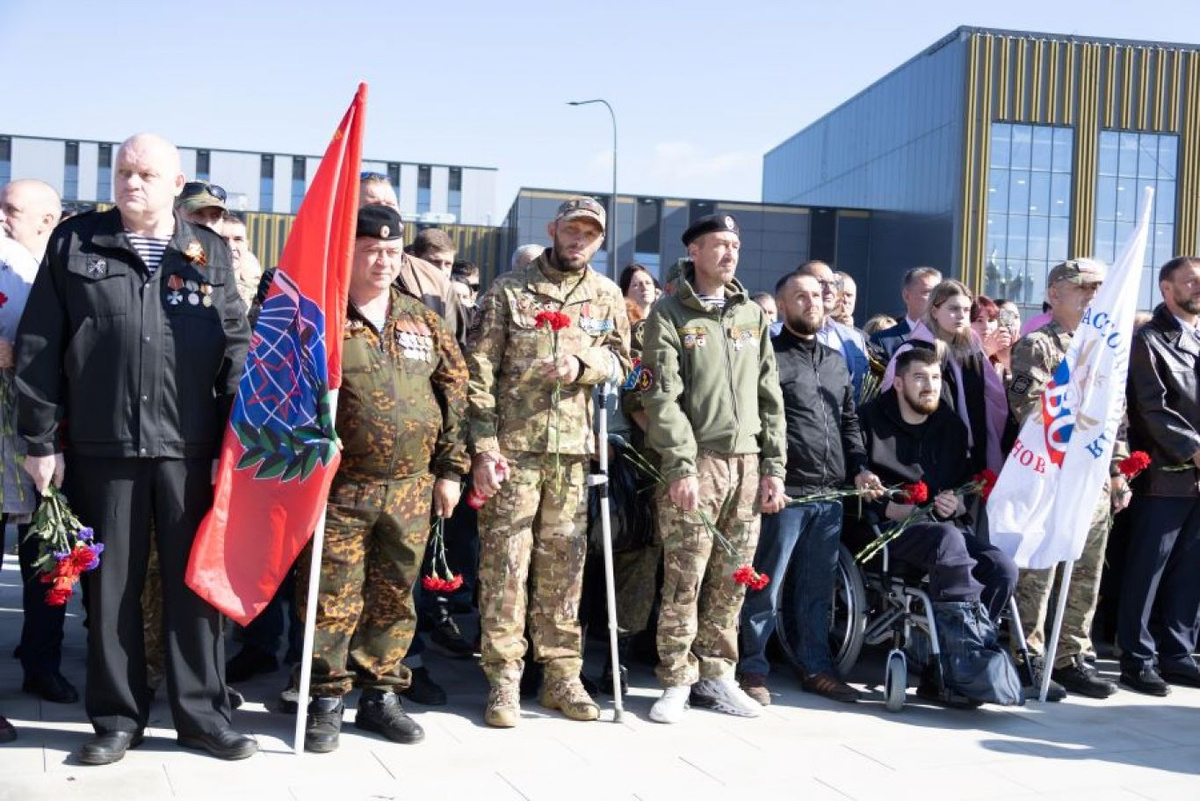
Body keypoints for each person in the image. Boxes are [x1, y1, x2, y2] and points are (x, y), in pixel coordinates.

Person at [15, 133, 256, 764]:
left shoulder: (206, 251)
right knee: (112, 589)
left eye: (147, 173)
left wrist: (233, 441)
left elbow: (235, 346)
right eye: (124, 171)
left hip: (189, 446)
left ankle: (204, 715)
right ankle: (117, 719)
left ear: (177, 184)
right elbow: (41, 343)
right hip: (104, 446)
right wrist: (39, 441)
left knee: (196, 589)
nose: (132, 183)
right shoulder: (76, 241)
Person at [300, 205, 469, 752]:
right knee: (331, 595)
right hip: (342, 486)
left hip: (413, 487)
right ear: (348, 252)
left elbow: (457, 396)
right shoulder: (320, 317)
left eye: (393, 252)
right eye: (371, 251)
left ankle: (380, 695)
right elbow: (285, 393)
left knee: (395, 595)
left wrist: (450, 470)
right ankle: (325, 697)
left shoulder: (424, 320)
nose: (383, 261)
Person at [466, 196, 630, 728]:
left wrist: (584, 363)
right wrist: (485, 449)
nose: (580, 239)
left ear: (600, 241)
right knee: (505, 567)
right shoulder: (508, 291)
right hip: (514, 451)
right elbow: (479, 372)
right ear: (554, 229)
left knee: (566, 569)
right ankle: (504, 679)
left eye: (591, 233)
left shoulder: (606, 296)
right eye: (573, 229)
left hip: (571, 453)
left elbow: (625, 364)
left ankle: (562, 675)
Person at [640, 212, 786, 724]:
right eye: (719, 245)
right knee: (685, 575)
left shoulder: (751, 315)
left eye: (735, 245)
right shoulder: (670, 314)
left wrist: (774, 467)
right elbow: (663, 398)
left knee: (733, 578)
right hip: (697, 462)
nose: (729, 254)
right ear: (694, 252)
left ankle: (717, 675)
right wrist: (681, 466)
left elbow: (771, 397)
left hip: (747, 464)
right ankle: (676, 678)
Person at [737, 272, 883, 706]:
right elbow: (758, 421)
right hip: (785, 490)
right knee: (765, 584)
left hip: (830, 493)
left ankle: (817, 668)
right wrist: (768, 474)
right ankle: (753, 668)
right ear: (782, 306)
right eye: (800, 296)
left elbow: (849, 422)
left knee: (816, 589)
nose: (812, 303)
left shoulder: (836, 360)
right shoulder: (769, 356)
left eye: (817, 296)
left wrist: (858, 469)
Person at [859, 348, 1019, 704]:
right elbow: (853, 482)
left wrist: (959, 502)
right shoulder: (869, 419)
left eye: (934, 378)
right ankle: (964, 663)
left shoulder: (950, 425)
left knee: (1002, 568)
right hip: (890, 532)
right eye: (919, 378)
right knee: (949, 539)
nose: (929, 386)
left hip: (942, 529)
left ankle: (957, 660)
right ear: (899, 383)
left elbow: (963, 483)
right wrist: (887, 508)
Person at [1008, 258, 1130, 700]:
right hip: (1052, 476)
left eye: (1098, 289)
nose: (1093, 296)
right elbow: (1031, 411)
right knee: (1039, 568)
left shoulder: (1103, 348)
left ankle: (1071, 654)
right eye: (1084, 288)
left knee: (1086, 569)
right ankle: (1029, 653)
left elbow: (1115, 416)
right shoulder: (1037, 345)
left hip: (1093, 478)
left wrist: (1117, 468)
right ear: (1055, 292)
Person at [0, 180, 76, 705]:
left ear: (47, 219)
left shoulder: (69, 269)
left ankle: (42, 661)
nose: (1, 218)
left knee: (52, 557)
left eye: (12, 210)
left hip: (50, 436)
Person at [1119, 255, 1200, 695]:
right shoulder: (1149, 340)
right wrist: (1194, 450)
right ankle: (1137, 658)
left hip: (1197, 483)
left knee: (1191, 571)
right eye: (1191, 281)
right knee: (1148, 569)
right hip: (1165, 476)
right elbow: (1151, 408)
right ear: (1167, 289)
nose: (1199, 288)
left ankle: (1178, 653)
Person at [882, 280, 1007, 475]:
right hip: (926, 458)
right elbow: (891, 404)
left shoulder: (973, 354)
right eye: (954, 309)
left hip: (973, 458)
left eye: (966, 310)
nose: (961, 316)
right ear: (934, 311)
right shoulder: (913, 351)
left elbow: (995, 405)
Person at [795, 261, 869, 403]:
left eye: (833, 283)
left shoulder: (854, 338)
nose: (829, 289)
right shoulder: (776, 333)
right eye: (821, 283)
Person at [869, 267, 942, 359]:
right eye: (927, 292)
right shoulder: (883, 341)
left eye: (938, 293)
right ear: (906, 296)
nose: (935, 298)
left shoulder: (950, 339)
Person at [219, 211, 262, 311]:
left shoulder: (260, 293)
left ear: (246, 244)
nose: (231, 246)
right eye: (224, 239)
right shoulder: (202, 288)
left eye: (238, 239)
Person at [970, 295, 1013, 383]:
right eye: (979, 320)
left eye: (990, 321)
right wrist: (986, 352)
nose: (986, 327)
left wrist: (1007, 365)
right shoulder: (961, 354)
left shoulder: (1001, 354)